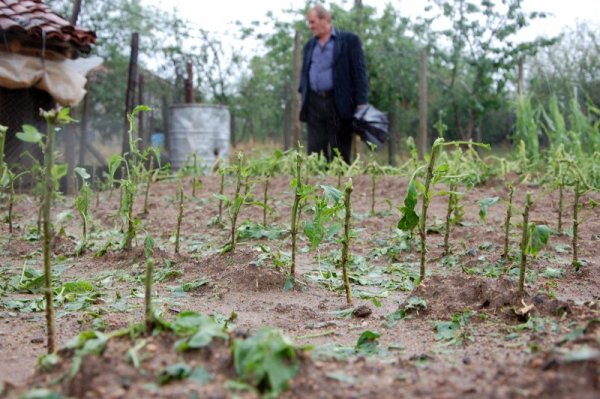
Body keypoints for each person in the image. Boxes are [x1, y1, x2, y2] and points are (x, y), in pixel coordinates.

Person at [298, 4, 368, 164]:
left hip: (338, 102)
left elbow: (359, 72)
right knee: (315, 152)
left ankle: (339, 184)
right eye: (309, 22)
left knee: (340, 151)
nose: (310, 26)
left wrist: (361, 102)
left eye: (313, 21)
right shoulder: (309, 46)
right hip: (314, 103)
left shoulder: (349, 41)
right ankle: (317, 185)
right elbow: (305, 72)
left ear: (326, 19)